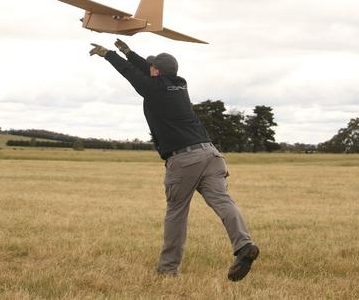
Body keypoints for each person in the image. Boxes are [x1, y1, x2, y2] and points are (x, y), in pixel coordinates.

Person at [89, 39, 259, 281]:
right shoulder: (180, 84)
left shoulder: (154, 89)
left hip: (185, 159)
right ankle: (244, 245)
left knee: (176, 212)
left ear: (157, 72)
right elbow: (144, 69)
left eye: (152, 69)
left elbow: (132, 74)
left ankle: (168, 269)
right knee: (223, 202)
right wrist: (129, 52)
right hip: (212, 155)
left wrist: (110, 55)